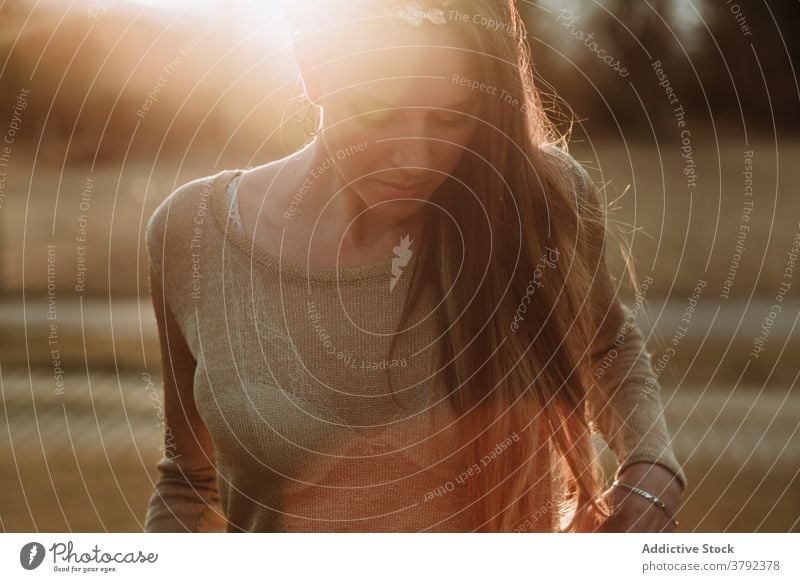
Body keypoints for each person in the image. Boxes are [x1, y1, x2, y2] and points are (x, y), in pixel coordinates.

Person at [143, 0, 686, 533]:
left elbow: (605, 345)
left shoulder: (536, 200)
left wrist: (652, 467)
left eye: (451, 117)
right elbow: (189, 479)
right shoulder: (194, 233)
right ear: (312, 69)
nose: (415, 160)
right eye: (377, 112)